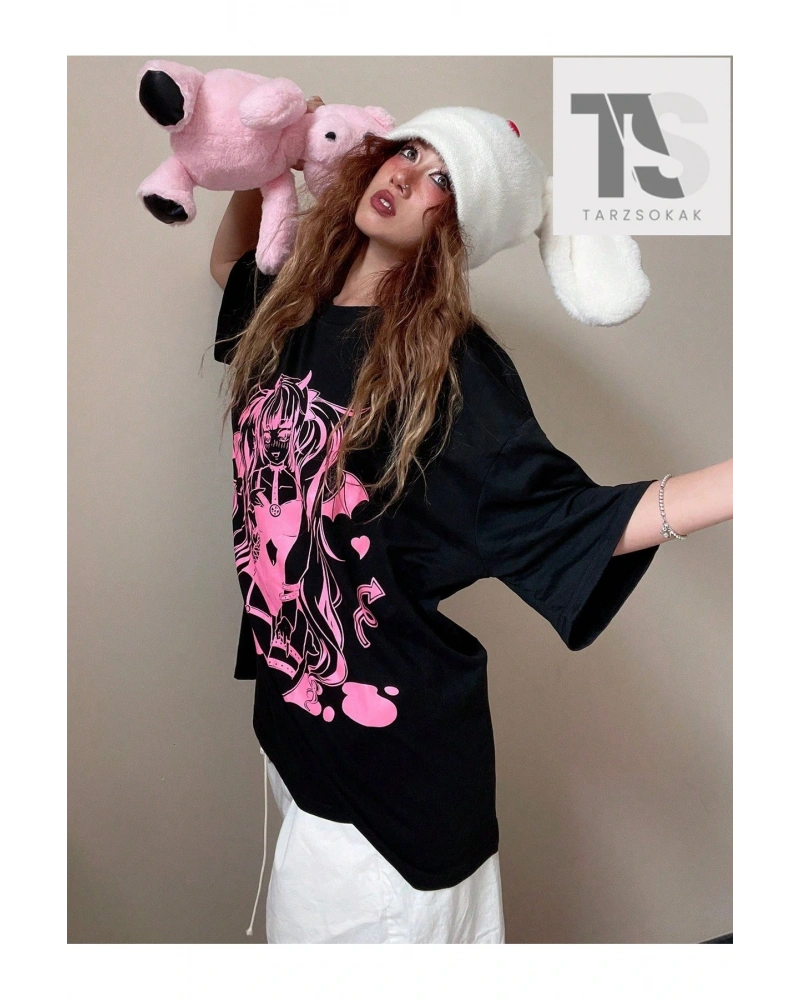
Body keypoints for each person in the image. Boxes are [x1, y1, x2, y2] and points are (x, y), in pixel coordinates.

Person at [208, 102, 735, 944]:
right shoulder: (294, 305)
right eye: (409, 151)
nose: (408, 175)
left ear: (458, 227)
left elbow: (571, 520)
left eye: (442, 179)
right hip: (299, 736)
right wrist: (259, 158)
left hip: (386, 805)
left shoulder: (446, 368)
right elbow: (230, 265)